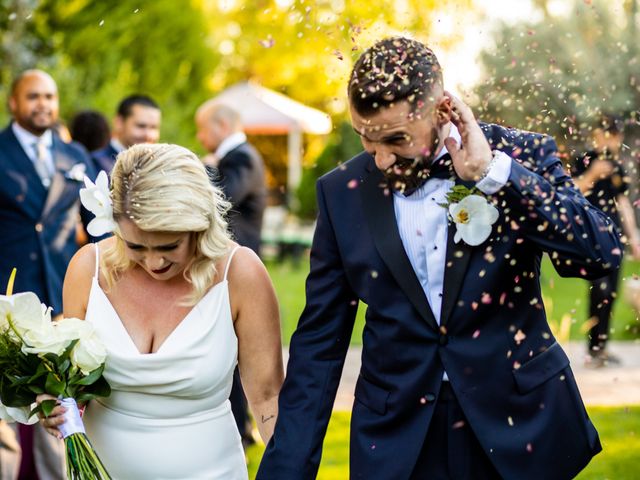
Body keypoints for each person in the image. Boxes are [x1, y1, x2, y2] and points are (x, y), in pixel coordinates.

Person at [257, 37, 622, 479]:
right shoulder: (340, 194)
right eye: (366, 138)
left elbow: (599, 253)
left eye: (396, 138)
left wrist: (495, 177)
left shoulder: (518, 156)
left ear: (442, 110)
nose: (382, 158)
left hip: (518, 426)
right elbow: (320, 344)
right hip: (399, 438)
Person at [39, 143, 283, 479]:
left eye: (169, 246)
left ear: (199, 225)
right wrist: (54, 400)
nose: (154, 262)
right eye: (136, 245)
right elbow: (74, 386)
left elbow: (269, 398)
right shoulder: (88, 269)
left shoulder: (240, 273)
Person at [0, 70, 97, 480]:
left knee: (57, 406)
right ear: (14, 103)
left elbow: (99, 226)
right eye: (33, 96)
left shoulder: (74, 157)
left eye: (50, 96)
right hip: (5, 299)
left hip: (59, 299)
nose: (43, 104)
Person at [195, 101, 268, 445]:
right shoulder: (236, 157)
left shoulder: (242, 158)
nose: (199, 136)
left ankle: (241, 428)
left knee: (236, 352)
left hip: (236, 269)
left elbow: (221, 197)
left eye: (202, 128)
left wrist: (202, 170)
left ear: (221, 126)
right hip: (224, 268)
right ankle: (240, 426)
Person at [572, 114, 640, 367]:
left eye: (616, 136)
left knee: (611, 291)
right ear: (597, 136)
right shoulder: (584, 160)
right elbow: (571, 191)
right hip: (590, 235)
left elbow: (623, 203)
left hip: (615, 237)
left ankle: (601, 347)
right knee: (598, 289)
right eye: (607, 134)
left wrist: (634, 238)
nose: (611, 140)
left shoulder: (617, 168)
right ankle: (593, 349)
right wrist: (592, 174)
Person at [91, 94, 161, 173]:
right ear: (119, 123)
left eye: (154, 127)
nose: (148, 135)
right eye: (141, 126)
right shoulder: (95, 164)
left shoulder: (160, 167)